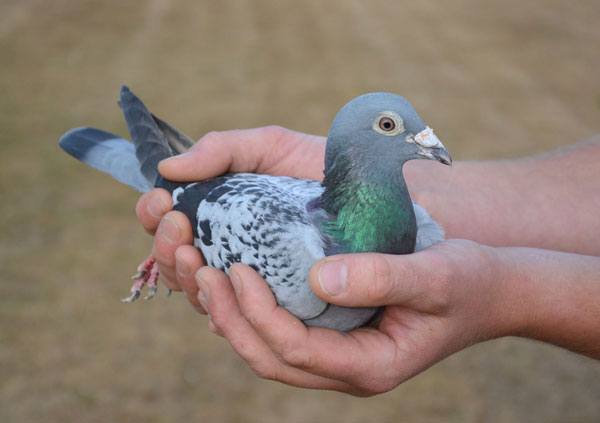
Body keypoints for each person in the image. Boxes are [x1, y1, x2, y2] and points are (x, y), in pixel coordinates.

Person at [135, 126, 600, 396]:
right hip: (218, 203)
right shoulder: (297, 252)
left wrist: (506, 294)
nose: (426, 139)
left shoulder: (417, 225)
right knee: (187, 232)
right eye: (390, 126)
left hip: (253, 200)